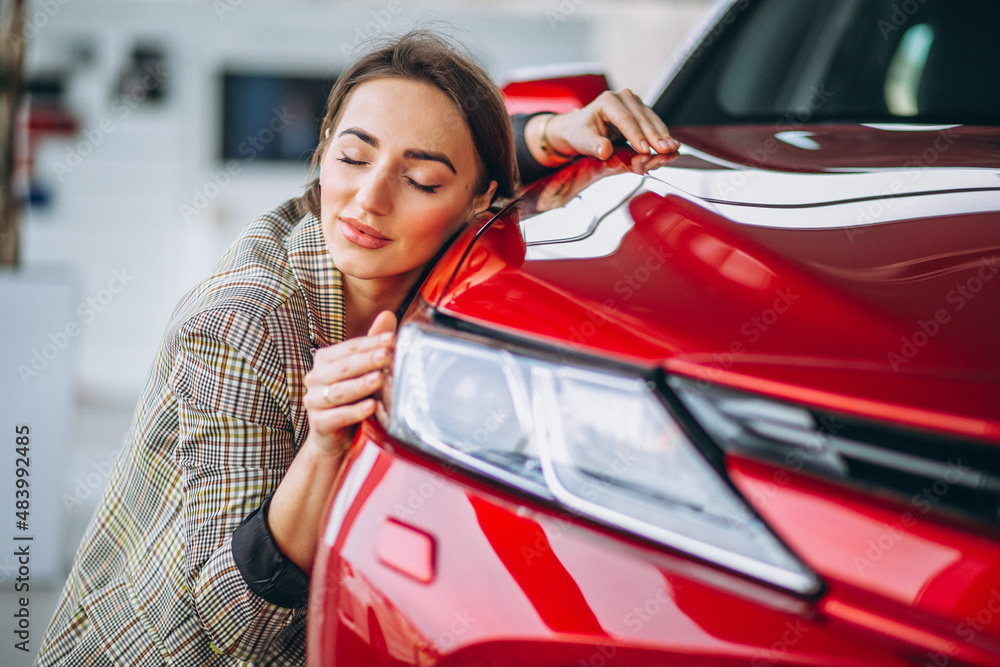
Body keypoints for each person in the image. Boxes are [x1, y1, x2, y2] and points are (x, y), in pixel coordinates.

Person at [36, 29, 677, 666]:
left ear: (480, 201)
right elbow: (235, 627)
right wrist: (322, 446)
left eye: (421, 180)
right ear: (322, 152)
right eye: (352, 157)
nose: (370, 200)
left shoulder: (474, 223)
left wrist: (556, 134)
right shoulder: (242, 320)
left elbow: (481, 147)